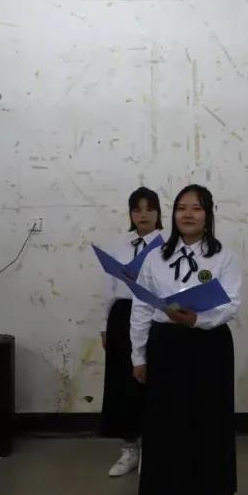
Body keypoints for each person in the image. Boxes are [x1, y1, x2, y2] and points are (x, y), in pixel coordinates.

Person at [131, 185, 241, 495]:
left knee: (206, 422)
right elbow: (141, 306)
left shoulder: (223, 258)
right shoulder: (155, 257)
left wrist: (197, 319)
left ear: (208, 215)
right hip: (166, 346)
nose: (188, 214)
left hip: (208, 345)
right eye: (181, 208)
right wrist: (138, 355)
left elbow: (231, 303)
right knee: (165, 423)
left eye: (196, 208)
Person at [99, 186, 163, 477]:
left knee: (152, 379)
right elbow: (108, 287)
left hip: (154, 314)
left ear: (159, 212)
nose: (143, 215)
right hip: (121, 314)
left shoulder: (168, 245)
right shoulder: (120, 244)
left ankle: (153, 446)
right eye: (137, 209)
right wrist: (104, 325)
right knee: (121, 381)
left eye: (149, 208)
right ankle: (129, 448)